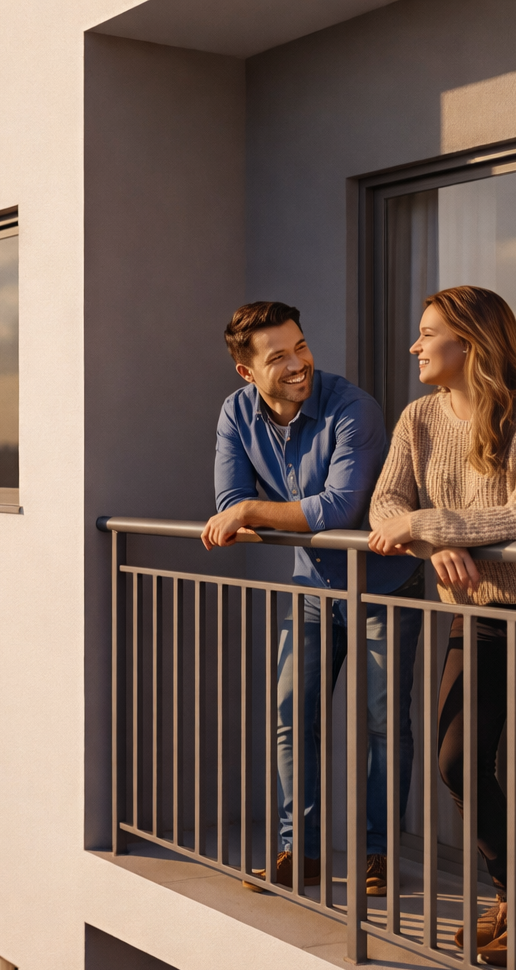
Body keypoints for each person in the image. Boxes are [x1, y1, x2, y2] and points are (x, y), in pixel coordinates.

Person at [369, 285, 516, 969]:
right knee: (457, 761)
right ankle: (510, 890)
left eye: (426, 333)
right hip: (474, 613)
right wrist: (433, 542)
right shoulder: (419, 417)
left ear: (466, 343)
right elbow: (388, 502)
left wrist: (427, 525)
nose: (415, 346)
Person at [207, 301, 423, 895]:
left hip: (383, 585)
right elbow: (230, 498)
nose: (299, 363)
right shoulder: (236, 413)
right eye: (279, 356)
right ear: (247, 372)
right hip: (312, 587)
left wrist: (256, 510)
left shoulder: (354, 408)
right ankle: (296, 852)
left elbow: (339, 509)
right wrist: (248, 509)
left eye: (301, 346)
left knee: (382, 723)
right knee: (290, 719)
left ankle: (378, 855)